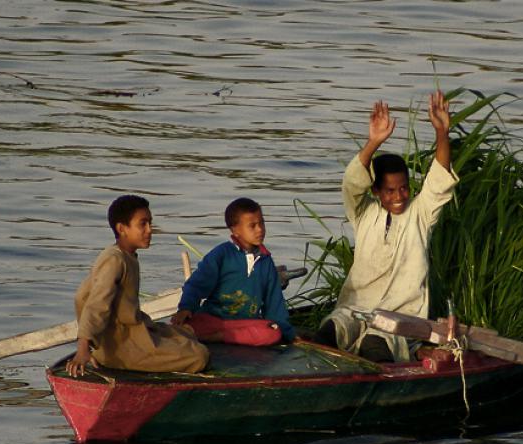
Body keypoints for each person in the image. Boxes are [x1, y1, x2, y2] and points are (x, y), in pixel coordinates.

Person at [315, 91, 458, 362]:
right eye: (390, 190)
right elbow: (351, 184)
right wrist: (374, 142)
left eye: (404, 188)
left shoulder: (420, 214)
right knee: (331, 331)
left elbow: (438, 180)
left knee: (375, 345)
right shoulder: (363, 212)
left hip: (400, 318)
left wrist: (442, 133)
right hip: (355, 309)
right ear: (377, 191)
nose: (399, 196)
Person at [66, 195, 209, 378]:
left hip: (131, 333)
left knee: (187, 334)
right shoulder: (114, 260)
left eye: (150, 223)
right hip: (121, 347)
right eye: (143, 224)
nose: (150, 230)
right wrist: (83, 348)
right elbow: (96, 305)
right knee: (199, 356)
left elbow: (84, 297)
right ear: (122, 229)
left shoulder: (125, 256)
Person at [171, 197, 295, 345]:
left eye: (262, 223)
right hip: (213, 319)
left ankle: (220, 337)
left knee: (272, 332)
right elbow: (197, 284)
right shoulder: (222, 254)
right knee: (187, 326)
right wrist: (186, 308)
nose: (260, 229)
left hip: (245, 324)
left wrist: (288, 334)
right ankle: (221, 335)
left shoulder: (266, 262)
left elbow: (274, 303)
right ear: (235, 230)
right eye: (252, 226)